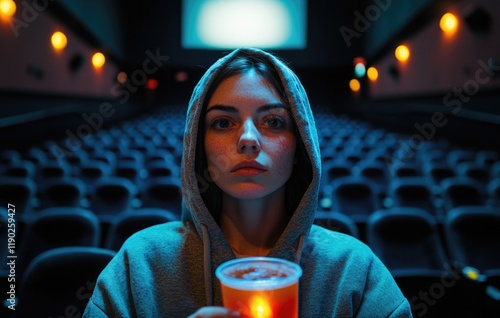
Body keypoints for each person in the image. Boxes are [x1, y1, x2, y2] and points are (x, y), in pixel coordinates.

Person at [83, 47, 412, 317]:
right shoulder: (140, 263)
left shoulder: (355, 270)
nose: (248, 140)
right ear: (200, 149)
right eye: (223, 123)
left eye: (273, 122)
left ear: (300, 147)